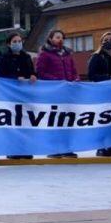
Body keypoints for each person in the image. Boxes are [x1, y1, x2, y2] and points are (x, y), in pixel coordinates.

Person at [36, 29, 80, 159]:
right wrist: (57, 82)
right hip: (53, 94)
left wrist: (76, 79)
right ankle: (53, 149)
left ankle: (67, 148)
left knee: (67, 120)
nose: (59, 39)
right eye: (57, 37)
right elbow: (40, 72)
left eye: (61, 37)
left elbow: (74, 70)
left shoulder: (67, 55)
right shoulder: (44, 54)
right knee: (55, 121)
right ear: (50, 39)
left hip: (68, 94)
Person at [0, 32, 37, 160]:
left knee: (25, 122)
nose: (18, 43)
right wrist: (14, 78)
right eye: (14, 41)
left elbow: (32, 71)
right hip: (10, 95)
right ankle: (12, 150)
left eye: (19, 41)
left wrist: (33, 75)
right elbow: (0, 74)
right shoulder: (3, 57)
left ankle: (24, 149)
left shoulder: (26, 56)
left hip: (25, 95)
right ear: (9, 43)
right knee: (12, 122)